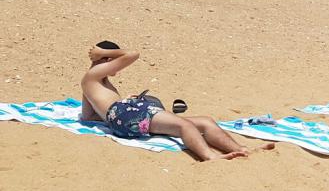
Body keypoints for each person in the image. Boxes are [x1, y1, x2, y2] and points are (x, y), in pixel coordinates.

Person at [79, 41, 271, 162]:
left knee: (205, 121)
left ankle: (242, 149)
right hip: (123, 113)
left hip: (122, 117)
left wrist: (114, 114)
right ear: (105, 60)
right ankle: (211, 157)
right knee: (183, 125)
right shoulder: (93, 73)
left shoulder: (92, 82)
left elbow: (88, 116)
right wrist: (102, 51)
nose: (117, 70)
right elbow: (133, 54)